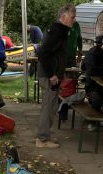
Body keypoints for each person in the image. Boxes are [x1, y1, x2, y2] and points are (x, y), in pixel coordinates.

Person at [35, 4, 76, 149]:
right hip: (48, 76)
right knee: (48, 107)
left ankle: (46, 134)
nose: (74, 20)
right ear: (63, 16)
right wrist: (52, 74)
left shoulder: (61, 30)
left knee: (52, 106)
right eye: (72, 17)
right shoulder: (57, 30)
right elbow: (42, 52)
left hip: (53, 76)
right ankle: (42, 139)